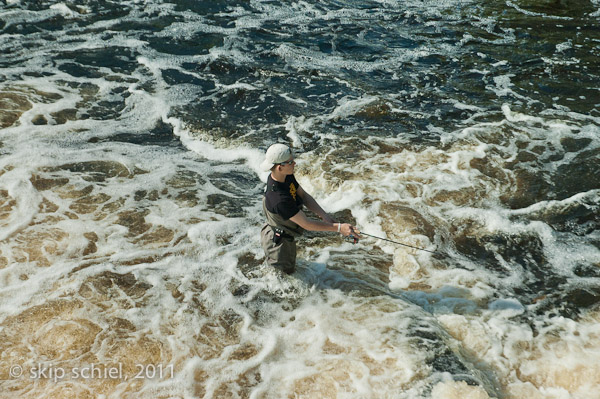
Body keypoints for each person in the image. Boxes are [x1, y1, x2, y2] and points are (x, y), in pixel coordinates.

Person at [259, 143, 360, 274]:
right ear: (279, 167)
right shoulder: (279, 198)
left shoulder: (286, 176)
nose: (294, 163)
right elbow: (307, 224)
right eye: (290, 162)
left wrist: (325, 217)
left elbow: (304, 196)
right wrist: (339, 228)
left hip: (284, 231)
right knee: (283, 276)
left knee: (289, 272)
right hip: (278, 243)